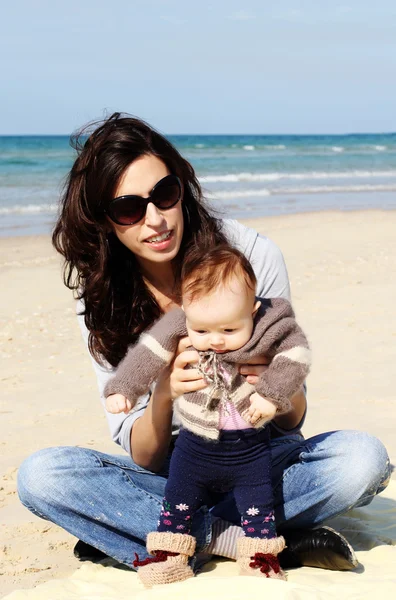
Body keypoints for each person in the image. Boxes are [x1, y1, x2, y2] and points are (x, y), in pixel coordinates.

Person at [17, 113, 390, 576]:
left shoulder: (250, 256)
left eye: (165, 195)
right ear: (105, 220)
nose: (155, 220)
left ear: (182, 188)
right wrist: (164, 394)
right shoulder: (99, 300)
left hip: (258, 456)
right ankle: (241, 538)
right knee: (43, 477)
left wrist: (272, 384)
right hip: (173, 472)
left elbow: (293, 420)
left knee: (360, 461)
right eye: (129, 209)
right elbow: (143, 455)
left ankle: (157, 535)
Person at [104, 243, 311, 585]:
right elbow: (148, 355)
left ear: (253, 310)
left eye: (229, 330)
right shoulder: (180, 325)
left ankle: (259, 554)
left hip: (251, 452)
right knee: (177, 501)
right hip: (193, 449)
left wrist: (272, 394)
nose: (214, 340)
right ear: (186, 310)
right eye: (202, 330)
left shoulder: (271, 324)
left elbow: (297, 356)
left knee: (259, 504)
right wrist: (124, 388)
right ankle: (173, 554)